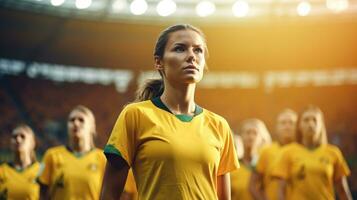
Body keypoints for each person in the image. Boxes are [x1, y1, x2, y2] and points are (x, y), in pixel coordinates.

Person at [100, 24, 240, 200]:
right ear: (159, 62)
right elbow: (109, 194)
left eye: (198, 50)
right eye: (180, 48)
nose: (191, 56)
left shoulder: (219, 125)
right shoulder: (135, 115)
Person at [272, 105, 353, 200]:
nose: (311, 124)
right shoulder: (288, 152)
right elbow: (281, 190)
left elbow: (343, 191)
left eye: (315, 120)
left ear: (321, 125)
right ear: (299, 125)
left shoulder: (333, 152)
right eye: (306, 120)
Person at [38, 105, 106, 200]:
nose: (76, 123)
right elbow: (42, 194)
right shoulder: (51, 155)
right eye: (72, 120)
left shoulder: (103, 158)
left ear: (92, 126)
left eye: (81, 120)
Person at [249, 109, 297, 200]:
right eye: (283, 123)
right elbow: (252, 186)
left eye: (291, 123)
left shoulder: (303, 150)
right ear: (276, 127)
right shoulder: (265, 151)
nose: (287, 126)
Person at [230, 119, 271, 200]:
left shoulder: (266, 166)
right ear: (240, 136)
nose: (251, 137)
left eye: (255, 133)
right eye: (247, 132)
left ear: (262, 138)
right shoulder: (232, 166)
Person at [0, 124, 40, 200]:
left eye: (23, 136)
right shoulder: (2, 171)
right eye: (14, 137)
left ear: (32, 143)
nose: (18, 140)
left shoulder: (41, 171)